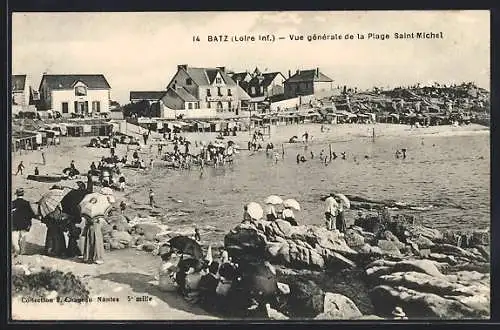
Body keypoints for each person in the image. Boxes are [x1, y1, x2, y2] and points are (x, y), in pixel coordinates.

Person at [11, 188, 35, 255]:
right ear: (23, 194)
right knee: (23, 239)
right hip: (25, 224)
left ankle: (17, 250)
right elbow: (31, 214)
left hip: (14, 224)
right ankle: (22, 252)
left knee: (14, 239)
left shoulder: (12, 203)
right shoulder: (27, 203)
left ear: (16, 194)